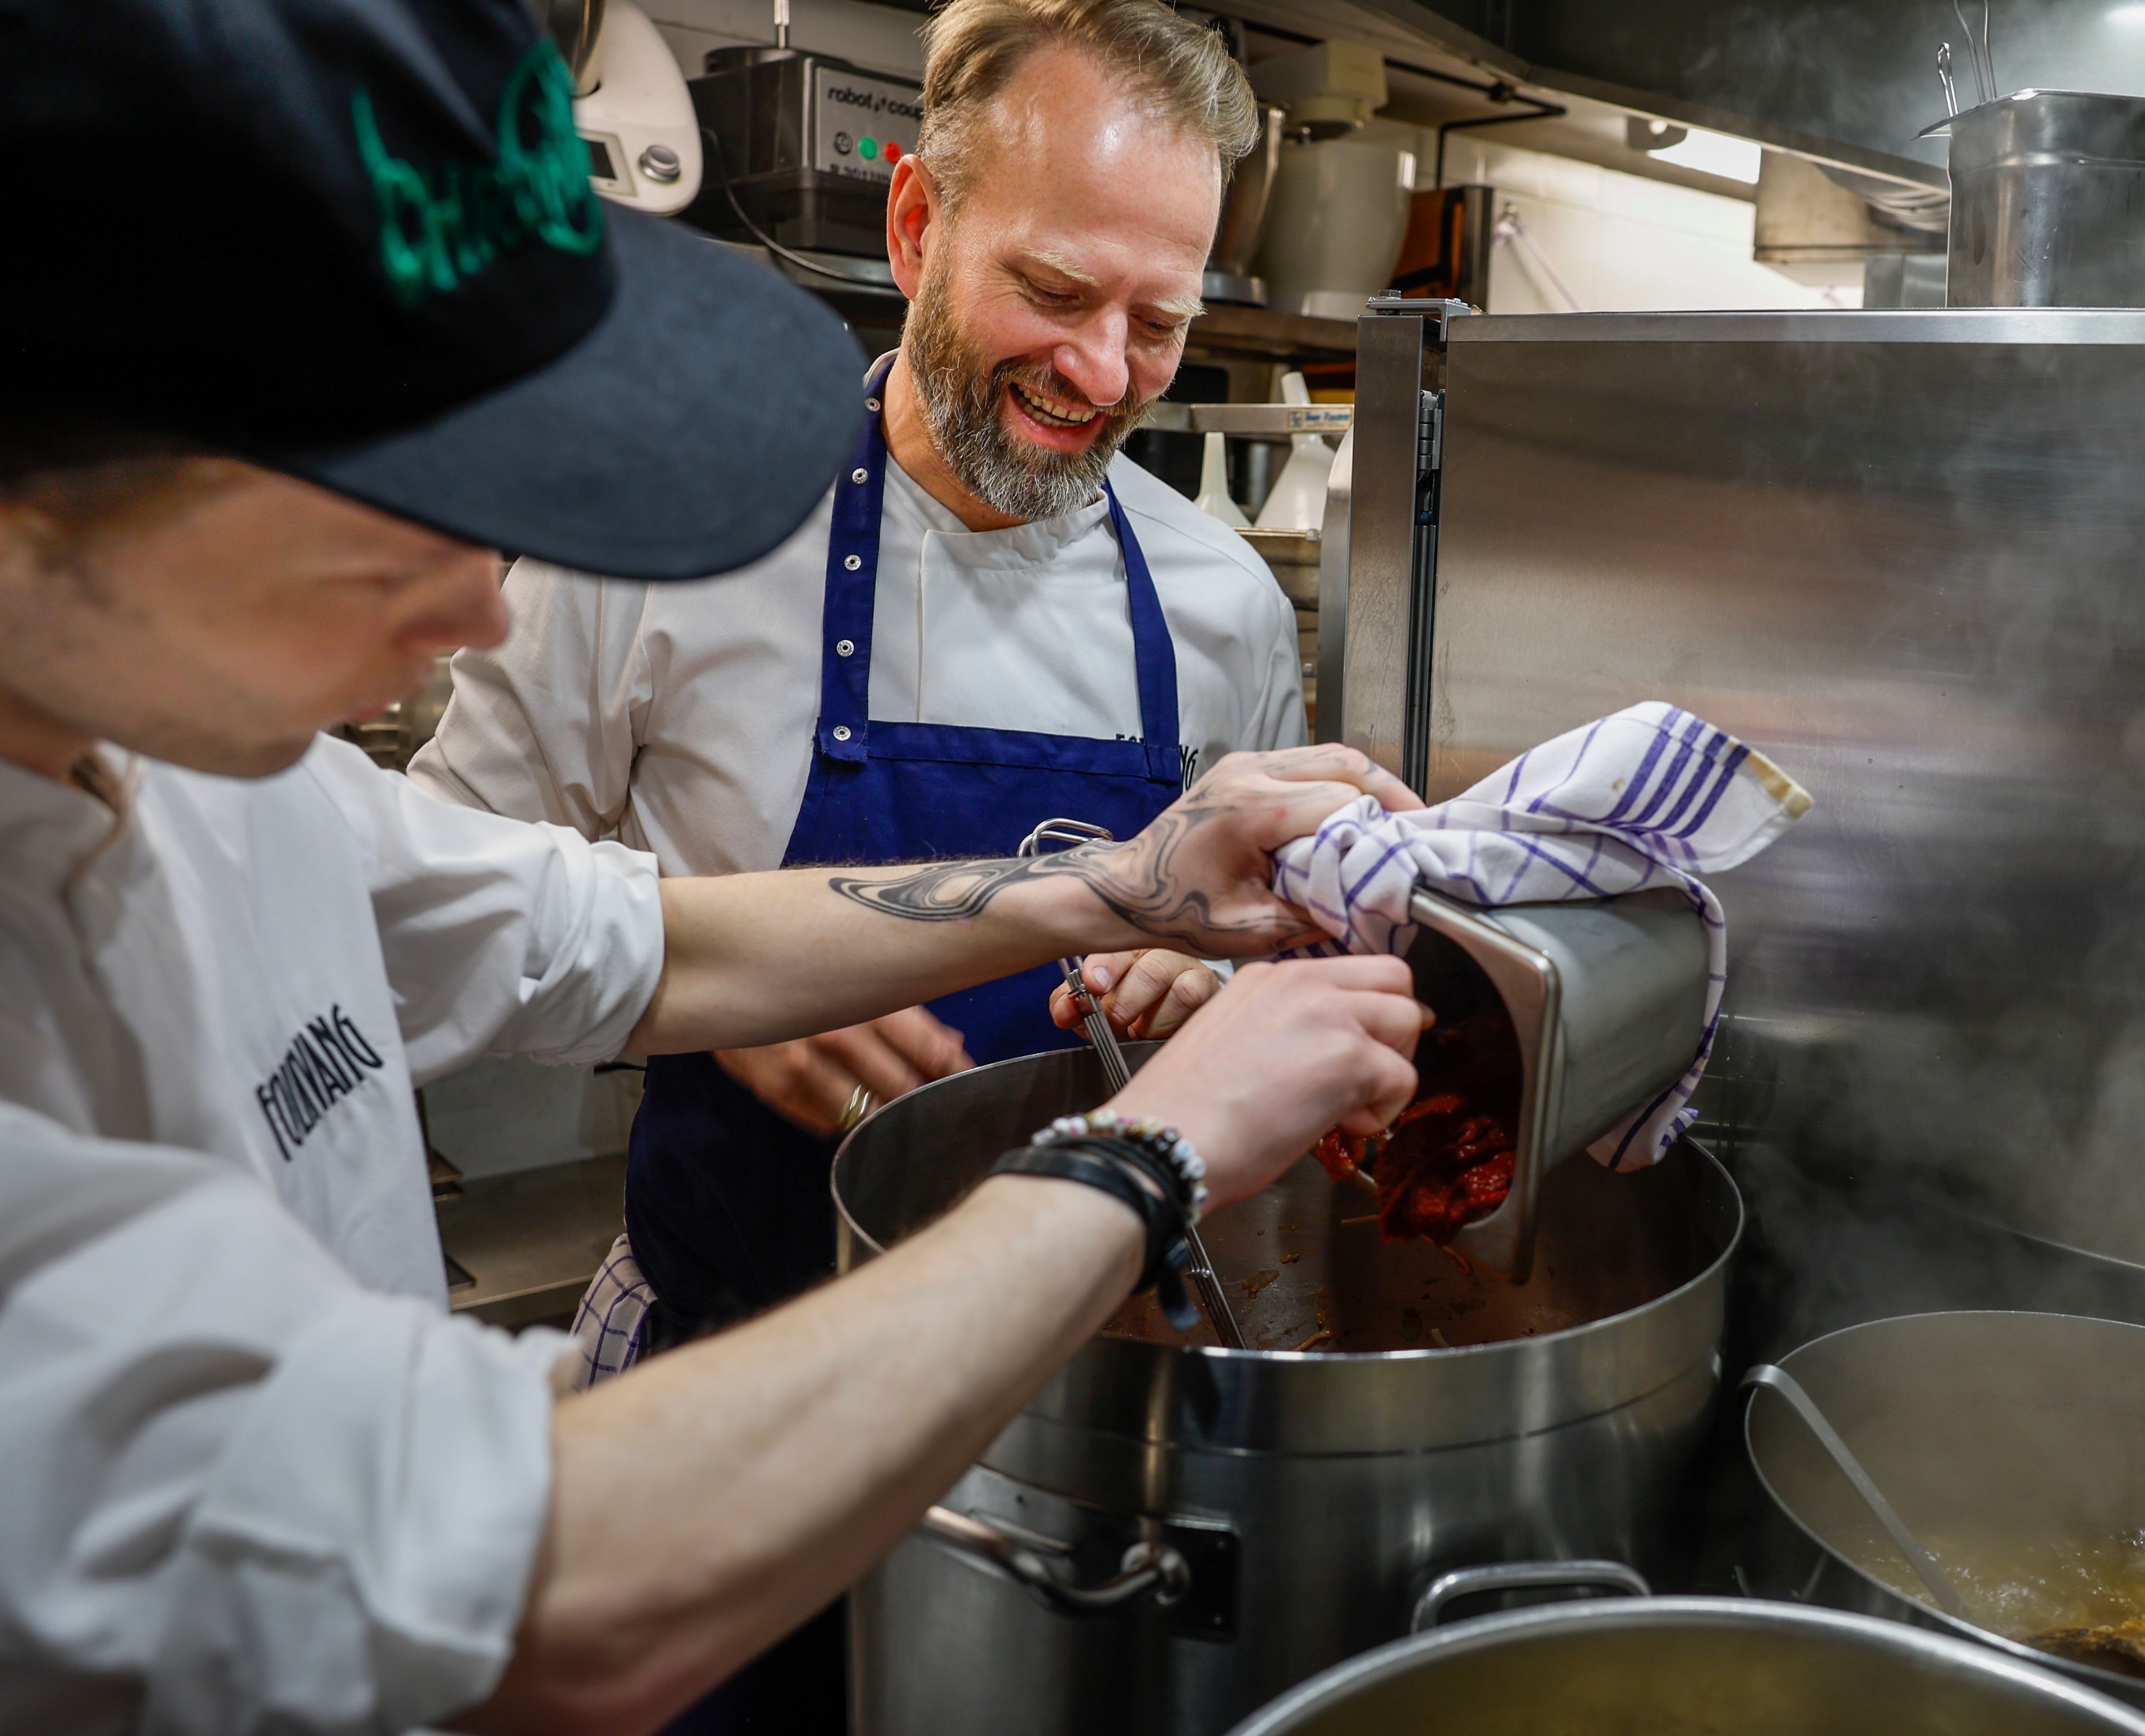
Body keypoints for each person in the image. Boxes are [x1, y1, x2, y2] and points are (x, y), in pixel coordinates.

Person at [0, 3, 1422, 1733]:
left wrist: (1124, 895)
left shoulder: (243, 780)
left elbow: (616, 934)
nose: (477, 609)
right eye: (393, 510)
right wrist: (1153, 1152)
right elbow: (528, 1587)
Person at [410, 2, 1305, 1430]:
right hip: (717, 1370)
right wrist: (692, 994)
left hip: (1080, 1406)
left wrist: (1199, 1000)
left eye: (1160, 325)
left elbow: (1267, 959)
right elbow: (426, 905)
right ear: (913, 227)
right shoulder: (664, 533)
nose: (1101, 372)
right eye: (1058, 292)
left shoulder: (1227, 606)